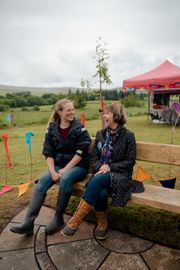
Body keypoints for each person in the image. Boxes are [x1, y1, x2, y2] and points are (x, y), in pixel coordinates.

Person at [62, 103, 144, 240]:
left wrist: (110, 167)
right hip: (101, 174)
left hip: (120, 175)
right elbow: (94, 157)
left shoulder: (128, 135)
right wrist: (100, 167)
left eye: (107, 113)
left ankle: (75, 222)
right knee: (101, 192)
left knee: (98, 180)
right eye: (103, 113)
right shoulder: (101, 134)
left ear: (116, 116)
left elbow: (130, 161)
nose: (104, 116)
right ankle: (102, 223)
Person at [10, 99, 91, 235]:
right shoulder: (51, 129)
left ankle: (58, 219)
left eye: (72, 109)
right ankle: (28, 224)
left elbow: (80, 152)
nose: (72, 112)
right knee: (42, 181)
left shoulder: (79, 128)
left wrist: (65, 170)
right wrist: (53, 171)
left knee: (65, 178)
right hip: (58, 165)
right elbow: (48, 153)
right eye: (68, 110)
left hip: (78, 166)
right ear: (59, 112)